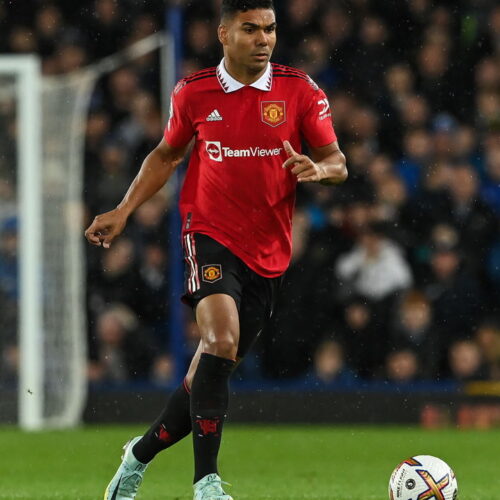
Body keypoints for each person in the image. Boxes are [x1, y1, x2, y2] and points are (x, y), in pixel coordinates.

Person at [84, 1, 347, 499]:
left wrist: (320, 170)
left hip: (269, 251)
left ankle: (136, 457)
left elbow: (338, 160)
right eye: (251, 29)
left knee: (205, 376)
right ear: (224, 34)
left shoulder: (299, 91)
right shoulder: (194, 92)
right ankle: (206, 484)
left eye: (269, 29)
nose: (264, 39)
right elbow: (166, 154)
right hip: (208, 233)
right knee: (220, 341)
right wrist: (123, 210)